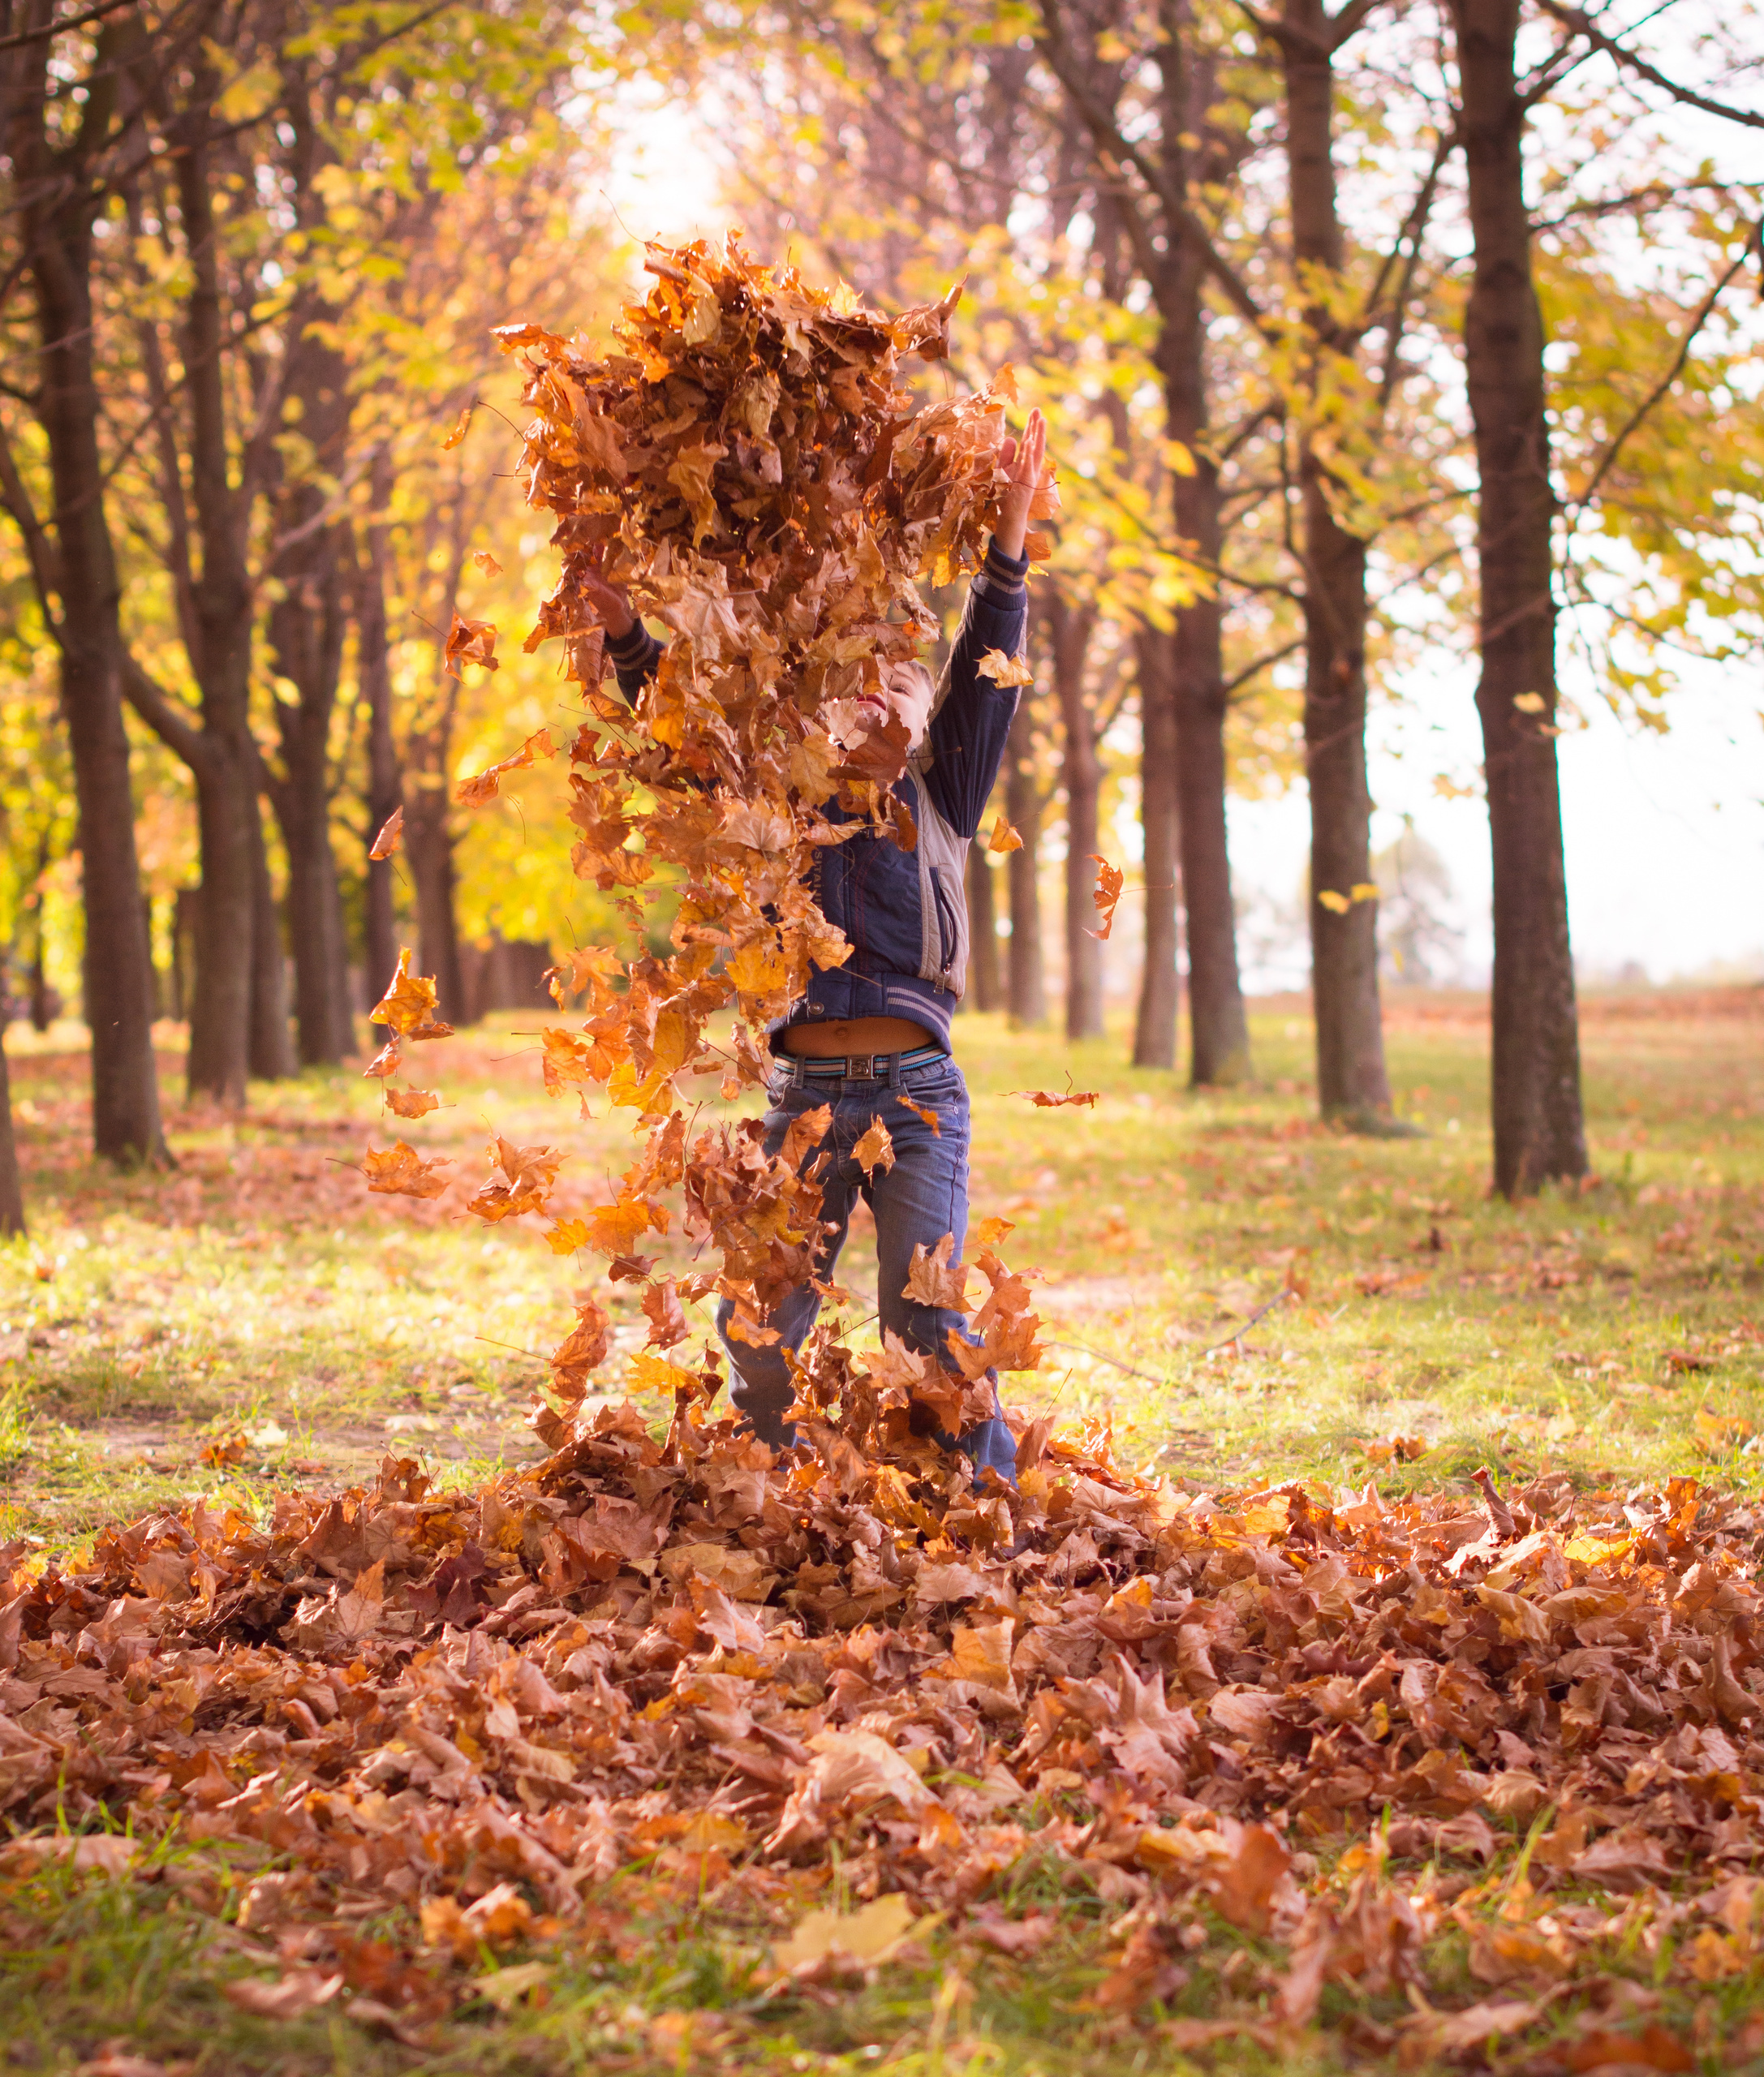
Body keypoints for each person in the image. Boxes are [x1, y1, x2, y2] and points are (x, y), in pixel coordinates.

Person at [583, 410, 1048, 1486]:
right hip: (801, 1098)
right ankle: (761, 1491)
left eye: (900, 677)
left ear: (921, 707)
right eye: (857, 677)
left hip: (918, 1099)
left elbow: (988, 668)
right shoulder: (778, 802)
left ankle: (985, 1503)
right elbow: (689, 744)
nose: (878, 687)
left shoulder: (940, 792)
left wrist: (1010, 534)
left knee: (923, 1322)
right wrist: (623, 637)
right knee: (759, 1327)